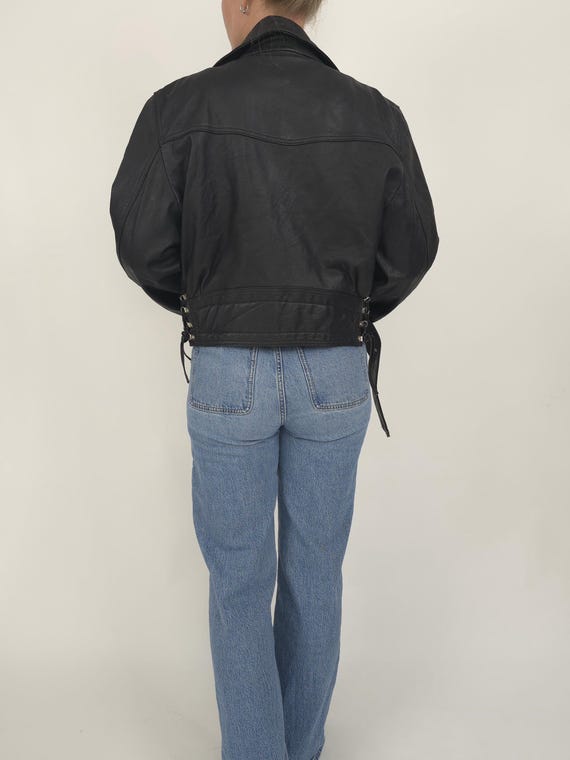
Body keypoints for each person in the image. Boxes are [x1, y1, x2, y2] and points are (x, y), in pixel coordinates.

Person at [109, 1, 440, 758]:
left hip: (229, 369)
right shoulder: (374, 115)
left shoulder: (180, 108)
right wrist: (346, 308)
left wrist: (204, 301)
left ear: (241, 2)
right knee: (317, 575)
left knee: (237, 584)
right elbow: (414, 248)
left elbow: (139, 243)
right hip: (336, 366)